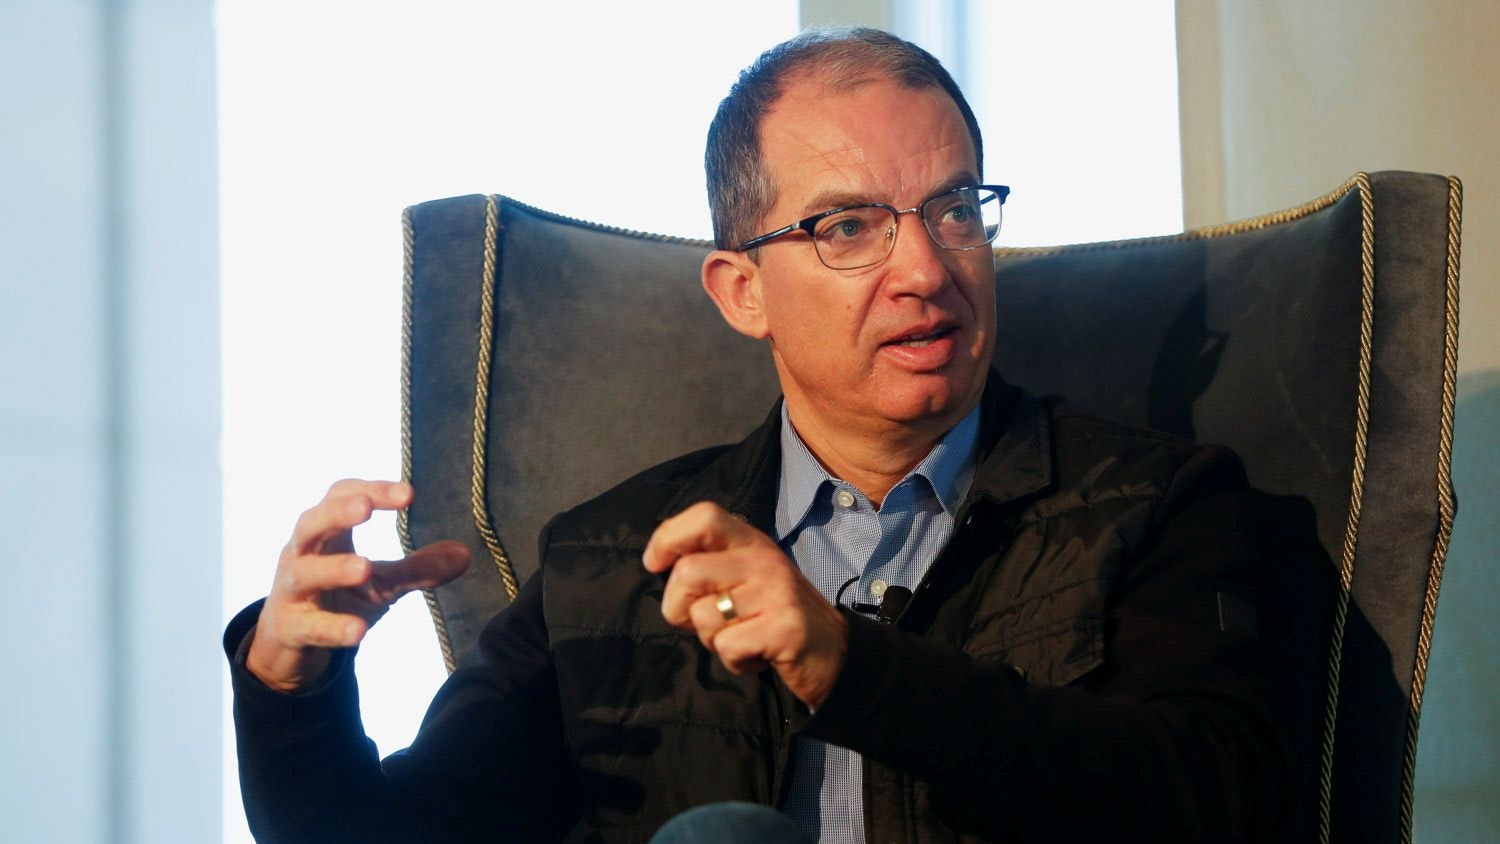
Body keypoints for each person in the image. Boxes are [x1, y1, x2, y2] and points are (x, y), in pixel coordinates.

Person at [226, 28, 1301, 843]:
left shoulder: (1159, 503)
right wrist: (290, 693)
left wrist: (847, 664)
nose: (925, 269)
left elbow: (1220, 796)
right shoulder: (612, 563)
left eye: (955, 208)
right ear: (742, 291)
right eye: (848, 228)